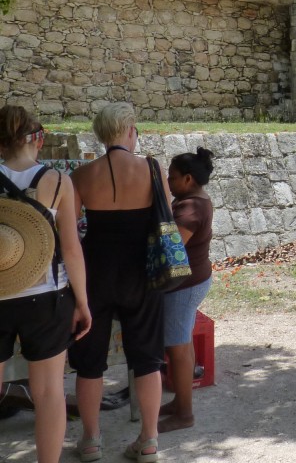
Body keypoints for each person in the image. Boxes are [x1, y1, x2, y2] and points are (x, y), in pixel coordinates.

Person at [69, 103, 169, 463]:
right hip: (142, 274)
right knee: (147, 360)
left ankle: (92, 440)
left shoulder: (81, 175)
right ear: (129, 129)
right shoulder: (152, 169)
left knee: (89, 362)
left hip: (94, 274)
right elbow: (166, 217)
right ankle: (149, 440)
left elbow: (70, 232)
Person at [0, 105, 91, 463]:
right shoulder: (57, 181)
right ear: (36, 139)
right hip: (47, 295)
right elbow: (71, 248)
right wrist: (82, 303)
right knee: (50, 391)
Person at [158, 147, 215, 433]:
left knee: (178, 350)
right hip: (194, 280)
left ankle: (185, 414)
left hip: (184, 285)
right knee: (184, 344)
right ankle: (180, 402)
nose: (169, 182)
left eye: (172, 177)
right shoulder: (196, 200)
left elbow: (171, 247)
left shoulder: (191, 209)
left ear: (188, 179)